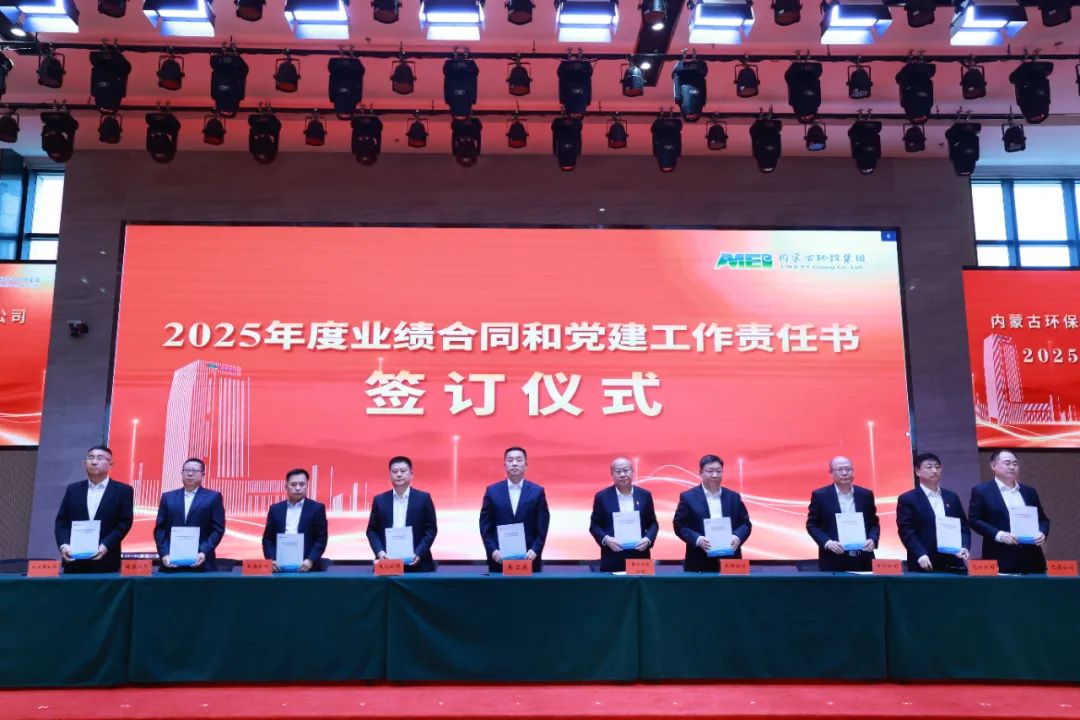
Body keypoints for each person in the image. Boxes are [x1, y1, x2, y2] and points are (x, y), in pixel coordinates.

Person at [54, 445, 134, 574]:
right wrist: (64, 545)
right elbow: (62, 522)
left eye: (100, 458)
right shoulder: (73, 489)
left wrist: (106, 545)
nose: (94, 462)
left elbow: (124, 523)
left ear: (111, 464)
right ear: (84, 463)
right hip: (74, 561)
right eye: (90, 458)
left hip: (106, 560)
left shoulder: (123, 491)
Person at [969, 449, 1050, 574]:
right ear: (993, 466)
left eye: (1015, 463)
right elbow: (974, 520)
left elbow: (1043, 520)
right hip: (1000, 557)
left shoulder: (1029, 492)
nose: (1012, 467)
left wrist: (1042, 533)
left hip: (1032, 558)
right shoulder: (982, 491)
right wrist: (999, 535)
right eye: (1007, 463)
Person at [673, 454, 752, 572]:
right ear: (700, 473)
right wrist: (697, 539)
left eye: (719, 471)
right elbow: (679, 525)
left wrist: (737, 536)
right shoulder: (688, 497)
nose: (715, 475)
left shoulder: (734, 497)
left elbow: (745, 524)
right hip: (699, 560)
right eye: (710, 471)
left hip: (730, 560)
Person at [479, 446, 550, 573]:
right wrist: (493, 550)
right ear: (505, 465)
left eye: (519, 460)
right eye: (510, 460)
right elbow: (485, 525)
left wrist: (535, 549)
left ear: (526, 465)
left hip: (529, 559)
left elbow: (542, 526)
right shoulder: (492, 491)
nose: (515, 463)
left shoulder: (537, 492)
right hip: (499, 559)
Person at [896, 452, 970, 572]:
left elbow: (963, 526)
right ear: (917, 471)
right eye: (929, 467)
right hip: (924, 561)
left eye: (937, 467)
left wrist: (964, 546)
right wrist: (920, 554)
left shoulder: (951, 497)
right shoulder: (908, 499)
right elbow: (906, 531)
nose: (934, 470)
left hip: (953, 560)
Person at [806, 456, 880, 571]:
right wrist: (827, 543)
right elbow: (812, 525)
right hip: (833, 558)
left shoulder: (865, 495)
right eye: (840, 470)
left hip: (863, 557)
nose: (845, 473)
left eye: (848, 469)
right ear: (831, 473)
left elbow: (874, 523)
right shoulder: (820, 496)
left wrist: (872, 539)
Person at [366, 456, 438, 572]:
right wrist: (380, 552)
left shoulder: (423, 498)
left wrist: (418, 553)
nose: (399, 474)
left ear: (411, 474)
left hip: (418, 563)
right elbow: (371, 531)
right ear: (390, 475)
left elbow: (431, 530)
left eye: (403, 471)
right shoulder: (380, 500)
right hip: (387, 564)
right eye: (394, 471)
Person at [153, 457, 226, 571]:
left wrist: (204, 551)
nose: (190, 474)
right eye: (187, 470)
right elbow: (160, 529)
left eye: (195, 470)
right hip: (170, 562)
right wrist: (164, 553)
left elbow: (218, 529)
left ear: (203, 474)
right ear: (182, 473)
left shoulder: (213, 497)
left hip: (202, 562)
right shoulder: (168, 497)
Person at [589, 457, 659, 572]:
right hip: (612, 556)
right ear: (612, 474)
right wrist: (606, 539)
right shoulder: (602, 496)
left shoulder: (644, 495)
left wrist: (648, 539)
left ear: (632, 471)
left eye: (626, 470)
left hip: (639, 556)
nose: (622, 474)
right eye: (618, 471)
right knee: (613, 584)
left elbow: (653, 523)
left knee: (641, 584)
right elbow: (594, 526)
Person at [262, 468, 329, 572]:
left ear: (307, 486)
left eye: (302, 484)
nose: (297, 488)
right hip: (278, 567)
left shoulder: (317, 508)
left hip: (307, 567)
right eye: (293, 484)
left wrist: (310, 560)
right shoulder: (275, 509)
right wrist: (272, 559)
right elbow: (267, 539)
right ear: (286, 486)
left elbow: (321, 538)